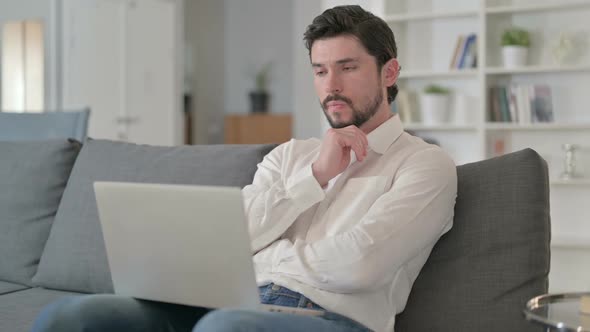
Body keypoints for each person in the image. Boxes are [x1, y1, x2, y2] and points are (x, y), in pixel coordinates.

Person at [31, 5, 456, 332]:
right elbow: (233, 237)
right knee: (72, 316)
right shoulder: (290, 155)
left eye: (348, 68)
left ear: (389, 72)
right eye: (320, 71)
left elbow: (360, 266)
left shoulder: (424, 164)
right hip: (228, 304)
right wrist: (314, 178)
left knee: (222, 327)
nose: (331, 86)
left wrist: (267, 255)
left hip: (330, 321)